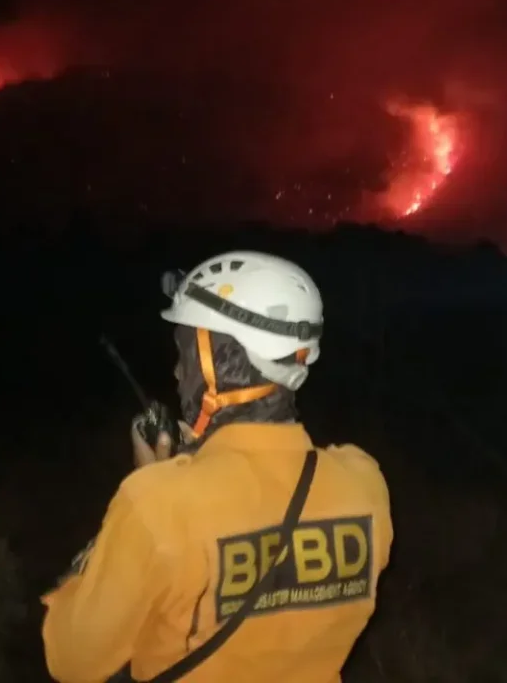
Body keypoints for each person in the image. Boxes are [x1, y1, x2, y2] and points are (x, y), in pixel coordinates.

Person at [40, 250, 393, 682]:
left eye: (185, 353)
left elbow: (71, 661)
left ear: (217, 363)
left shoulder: (157, 504)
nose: (175, 371)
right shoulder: (364, 483)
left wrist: (146, 484)